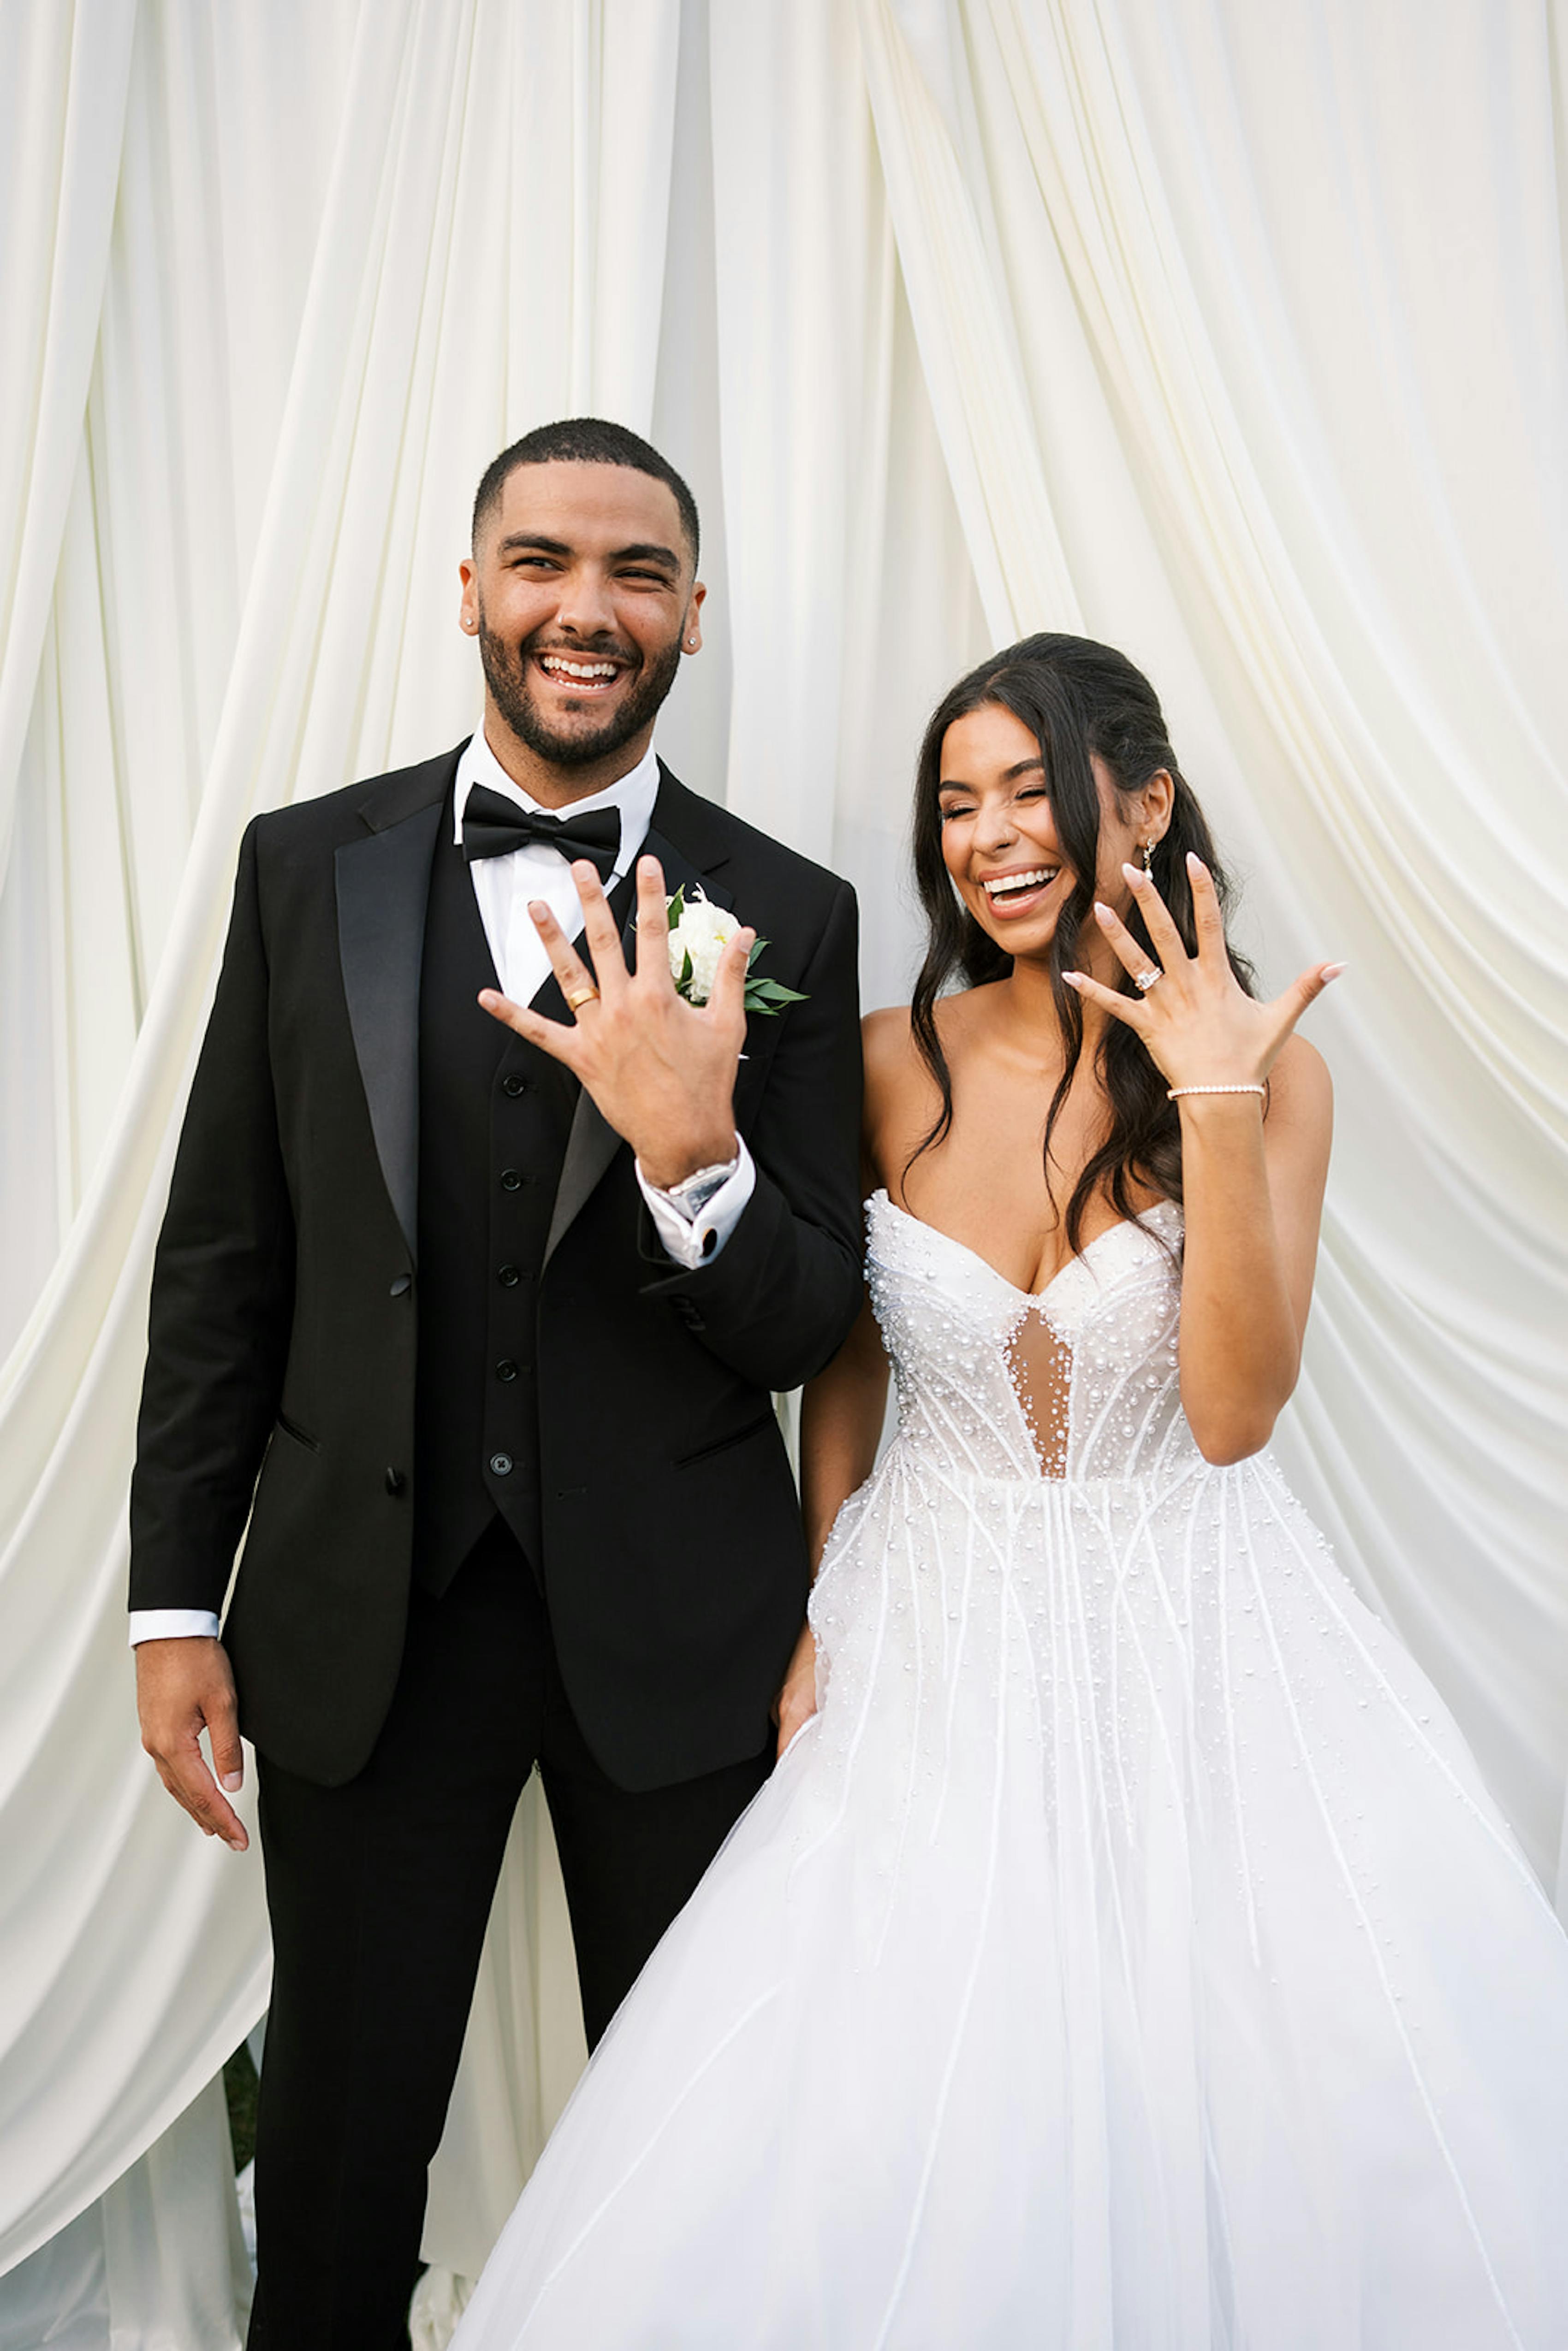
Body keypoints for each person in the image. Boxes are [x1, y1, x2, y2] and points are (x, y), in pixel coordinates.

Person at [451, 633, 1568, 2349]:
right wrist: (827, 1589)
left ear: (1148, 800)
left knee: (1244, 2059)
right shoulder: (888, 1052)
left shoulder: (1278, 1070)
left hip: (1202, 1618)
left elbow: (1233, 1409)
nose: (987, 837)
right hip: (931, 1613)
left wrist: (1212, 1087)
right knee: (902, 2062)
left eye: (1031, 791)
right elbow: (849, 1344)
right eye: (956, 803)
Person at [128, 417, 863, 2350]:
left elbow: (808, 1326)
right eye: (542, 562)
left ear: (693, 615)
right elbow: (225, 1261)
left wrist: (696, 1162)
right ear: (472, 590)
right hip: (368, 1621)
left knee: (705, 2162)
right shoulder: (311, 868)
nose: (585, 609)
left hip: (686, 1640)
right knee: (346, 2169)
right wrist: (167, 1604)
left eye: (637, 573)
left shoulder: (787, 909)